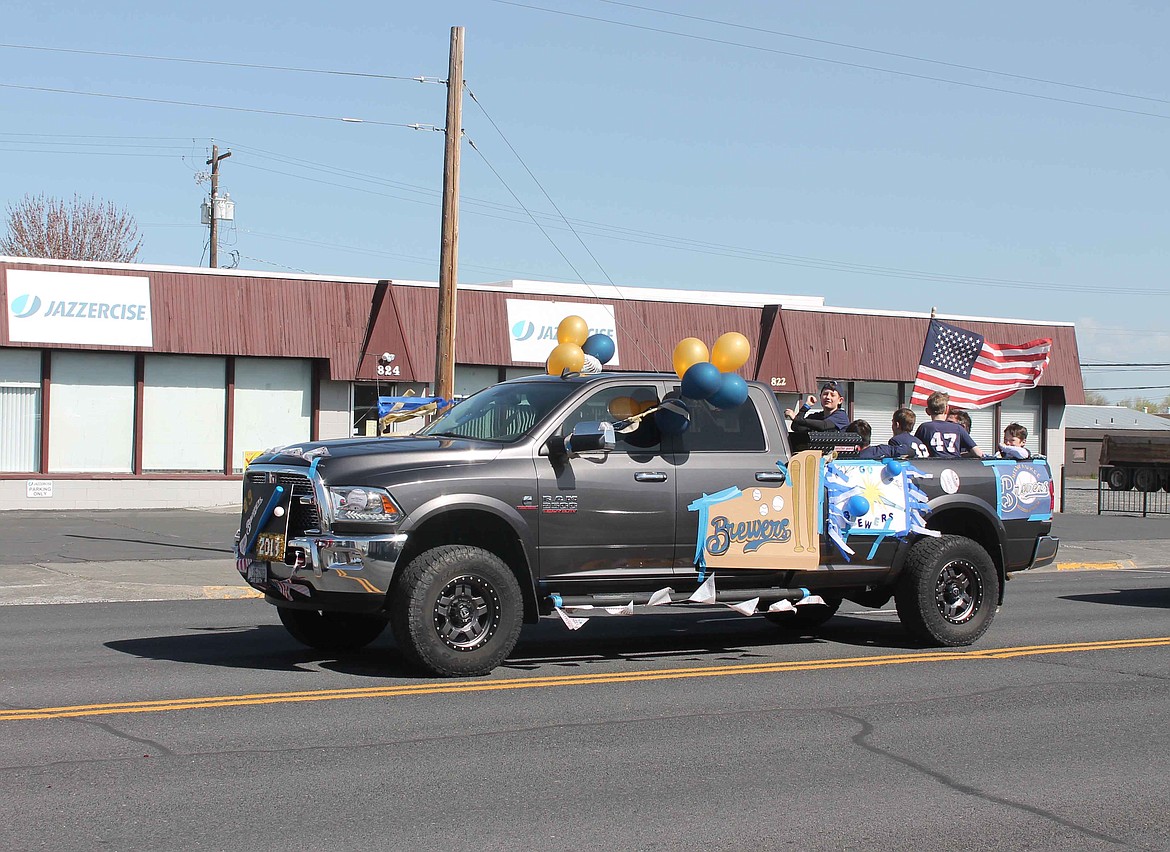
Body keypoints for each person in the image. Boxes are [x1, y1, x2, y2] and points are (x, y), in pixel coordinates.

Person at [915, 391, 985, 458]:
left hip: (933, 467)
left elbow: (915, 449)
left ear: (927, 411)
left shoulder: (924, 428)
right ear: (947, 409)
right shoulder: (958, 428)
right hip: (954, 467)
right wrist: (961, 456)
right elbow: (978, 453)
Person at [785, 380, 850, 432]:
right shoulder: (817, 417)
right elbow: (796, 427)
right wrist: (806, 407)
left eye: (832, 395)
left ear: (840, 400)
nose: (828, 397)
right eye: (825, 394)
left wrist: (796, 418)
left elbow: (823, 425)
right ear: (820, 396)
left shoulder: (841, 416)